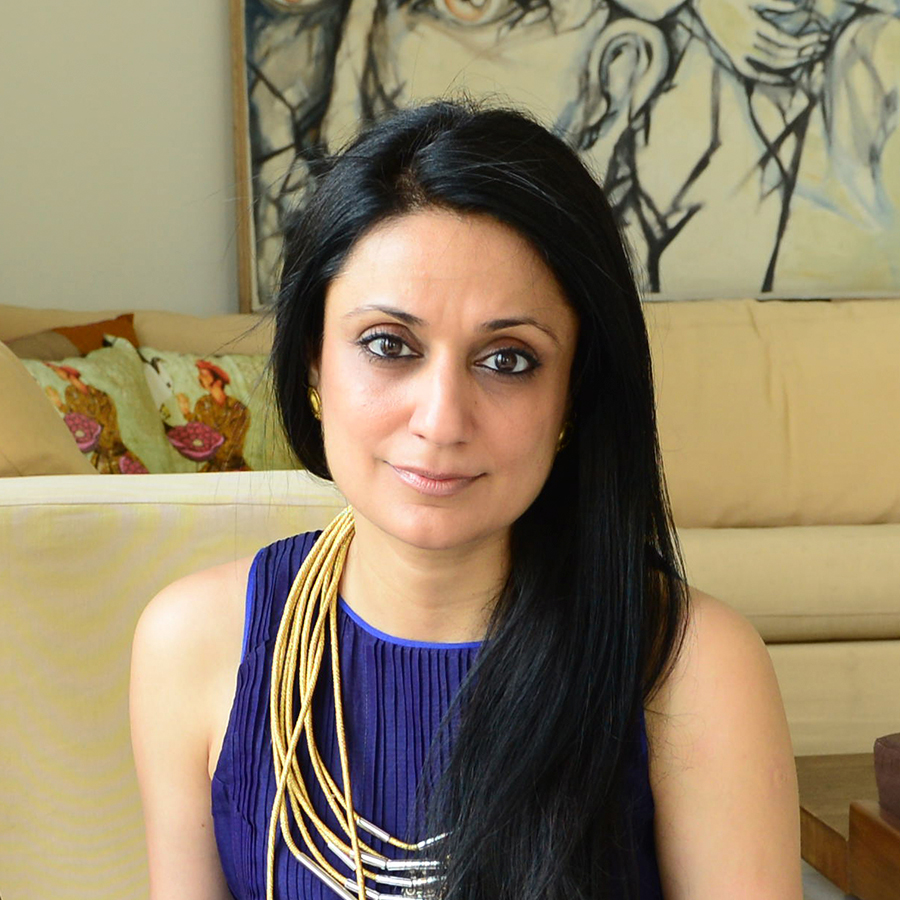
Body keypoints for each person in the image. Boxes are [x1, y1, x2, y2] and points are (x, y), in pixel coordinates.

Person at [130, 100, 802, 899]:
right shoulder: (195, 644)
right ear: (313, 361)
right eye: (389, 345)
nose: (442, 420)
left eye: (508, 360)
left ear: (573, 394)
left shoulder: (691, 666)